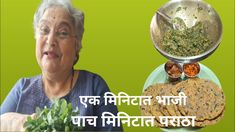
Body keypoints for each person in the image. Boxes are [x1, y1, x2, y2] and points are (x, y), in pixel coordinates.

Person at [0, 0, 123, 131]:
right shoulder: (22, 89)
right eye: (44, 30)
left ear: (76, 45)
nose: (51, 40)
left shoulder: (94, 88)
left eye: (63, 33)